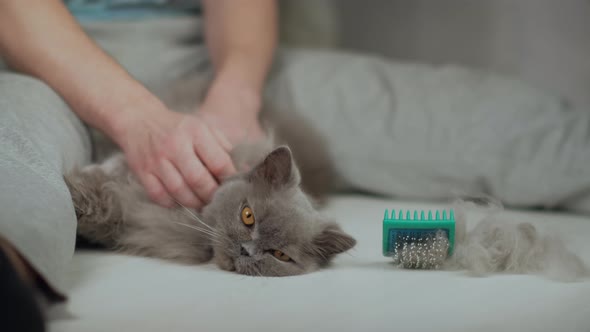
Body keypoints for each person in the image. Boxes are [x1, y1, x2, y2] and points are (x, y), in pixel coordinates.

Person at [0, 0, 276, 330]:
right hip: (51, 57)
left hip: (201, 54)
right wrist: (138, 118)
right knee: (14, 131)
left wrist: (238, 94)